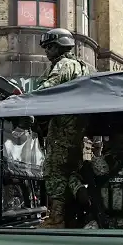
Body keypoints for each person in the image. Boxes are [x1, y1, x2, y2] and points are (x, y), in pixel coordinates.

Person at [36, 28, 89, 228]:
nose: (46, 51)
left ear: (60, 46)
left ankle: (57, 216)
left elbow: (47, 90)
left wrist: (21, 99)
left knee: (53, 171)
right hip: (72, 131)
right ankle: (71, 211)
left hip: (63, 131)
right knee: (69, 173)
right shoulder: (80, 65)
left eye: (50, 47)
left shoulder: (65, 64)